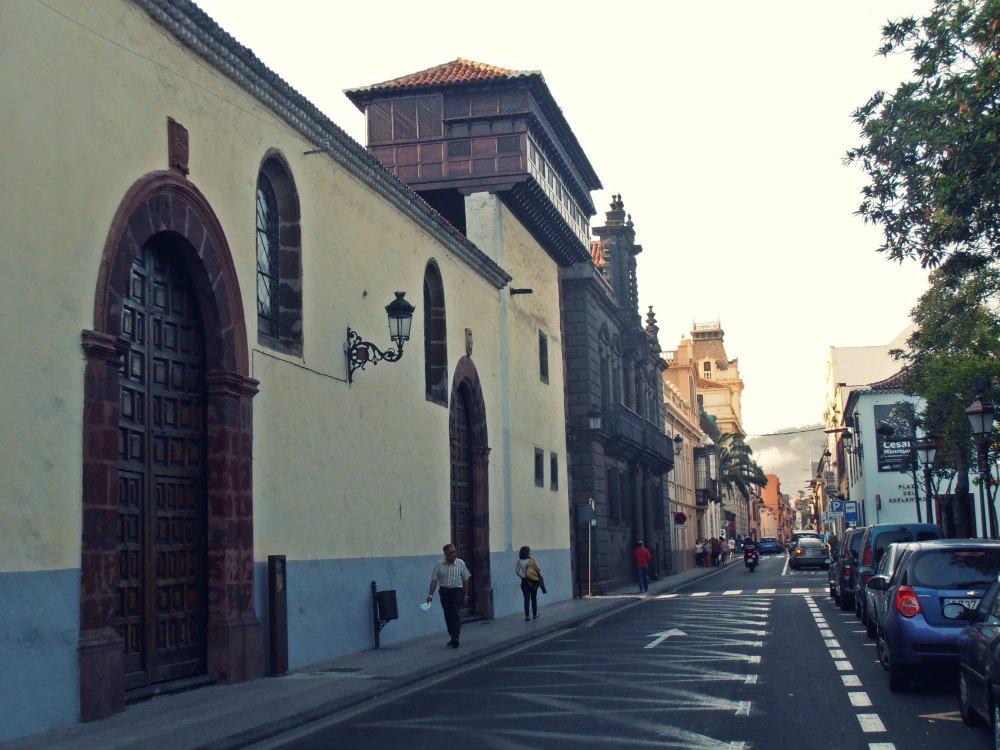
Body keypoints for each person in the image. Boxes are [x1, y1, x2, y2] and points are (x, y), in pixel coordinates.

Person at [426, 543, 471, 648]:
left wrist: (466, 594)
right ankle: (452, 636)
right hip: (445, 592)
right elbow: (434, 580)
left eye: (455, 551)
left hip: (457, 591)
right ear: (445, 553)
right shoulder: (439, 564)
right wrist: (430, 594)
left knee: (454, 612)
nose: (454, 554)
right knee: (447, 614)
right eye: (451, 552)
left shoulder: (460, 563)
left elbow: (466, 579)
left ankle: (456, 637)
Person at [515, 545, 544, 620]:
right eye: (529, 551)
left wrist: (522, 576)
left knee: (526, 599)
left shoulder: (519, 561)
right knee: (533, 598)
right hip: (533, 581)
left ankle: (527, 616)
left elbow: (517, 572)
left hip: (524, 581)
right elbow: (538, 569)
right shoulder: (531, 560)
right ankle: (535, 615)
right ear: (527, 552)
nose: (530, 552)